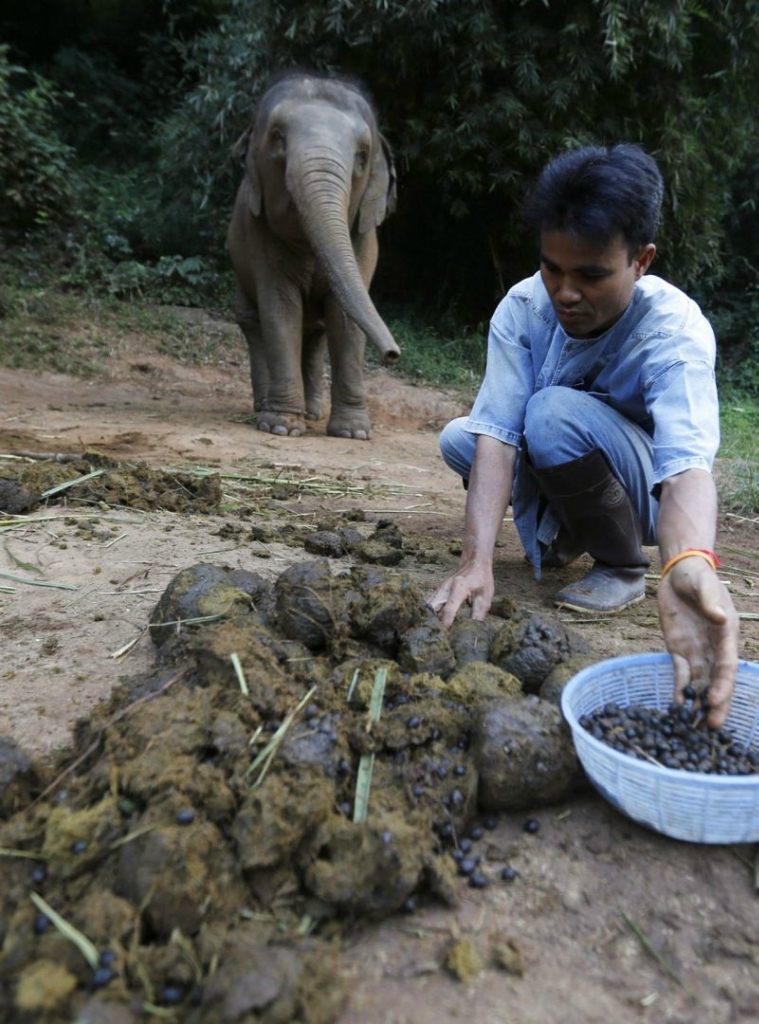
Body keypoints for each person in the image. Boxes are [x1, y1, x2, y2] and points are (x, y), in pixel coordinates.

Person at [428, 143, 739, 728]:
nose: (566, 292)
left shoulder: (674, 333)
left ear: (641, 261)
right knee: (460, 439)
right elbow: (495, 435)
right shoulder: (524, 306)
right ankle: (568, 529)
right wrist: (476, 562)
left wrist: (689, 562)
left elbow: (686, 469)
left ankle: (622, 565)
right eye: (553, 267)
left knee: (549, 416)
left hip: (644, 495)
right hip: (571, 456)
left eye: (591, 275)